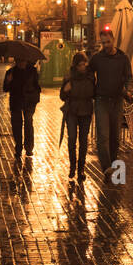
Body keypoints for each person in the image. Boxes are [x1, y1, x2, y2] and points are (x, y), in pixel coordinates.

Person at [89, 29, 133, 180]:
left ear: (113, 40)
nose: (106, 45)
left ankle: (114, 165)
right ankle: (107, 167)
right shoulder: (97, 58)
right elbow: (88, 74)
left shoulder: (122, 58)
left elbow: (129, 77)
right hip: (102, 100)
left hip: (117, 100)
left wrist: (128, 90)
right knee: (103, 136)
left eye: (108, 42)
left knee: (115, 136)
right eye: (103, 43)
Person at [59, 52, 95, 182]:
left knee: (83, 141)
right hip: (72, 111)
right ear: (75, 65)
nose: (82, 67)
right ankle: (72, 167)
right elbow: (62, 96)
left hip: (86, 111)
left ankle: (81, 168)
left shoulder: (90, 76)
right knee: (72, 139)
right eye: (80, 65)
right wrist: (66, 90)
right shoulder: (69, 76)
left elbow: (93, 93)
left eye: (84, 64)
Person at [3, 54, 41, 164]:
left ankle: (29, 148)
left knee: (28, 122)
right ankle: (18, 147)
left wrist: (35, 97)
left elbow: (37, 86)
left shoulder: (32, 71)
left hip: (29, 101)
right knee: (16, 125)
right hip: (16, 102)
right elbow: (5, 89)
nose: (21, 63)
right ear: (16, 61)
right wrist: (8, 81)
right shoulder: (11, 72)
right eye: (19, 61)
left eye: (23, 61)